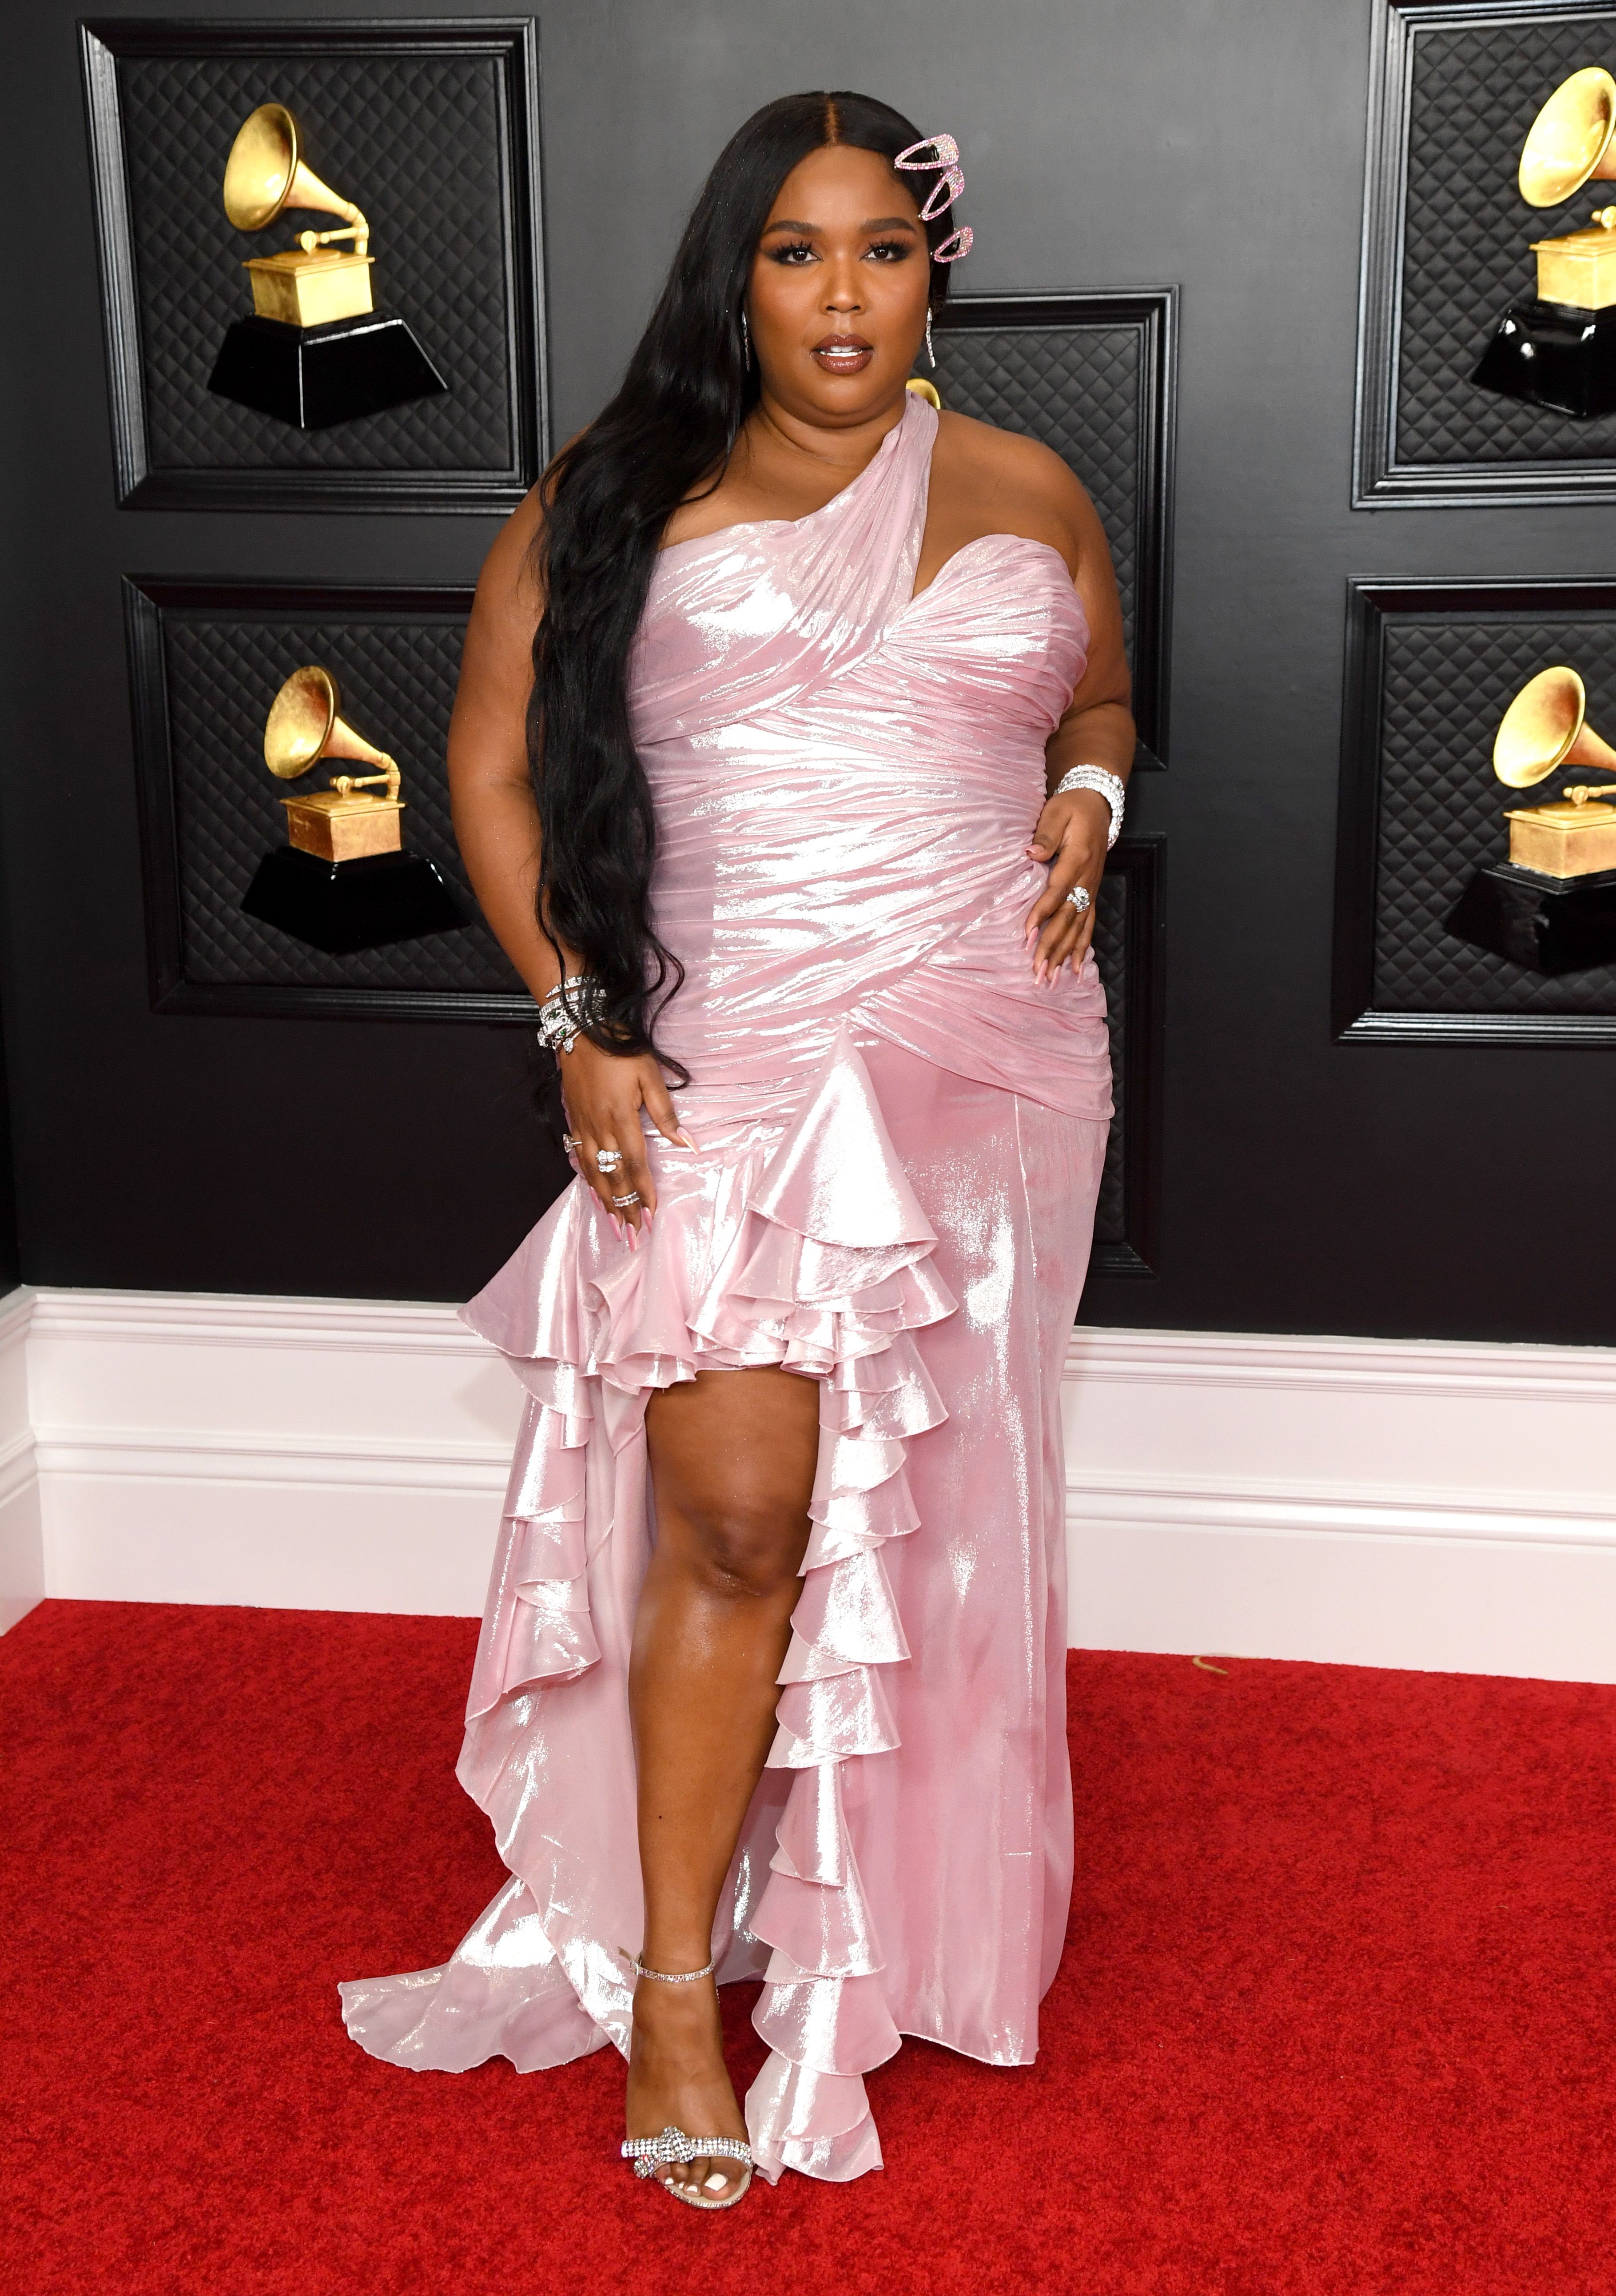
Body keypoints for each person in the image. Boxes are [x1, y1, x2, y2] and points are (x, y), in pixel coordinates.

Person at [339, 88, 1133, 2210]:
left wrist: (1091, 803)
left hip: (992, 1057)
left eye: (882, 246)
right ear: (735, 275)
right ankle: (679, 1978)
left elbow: (1097, 705)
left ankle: (878, 1914)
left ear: (933, 265)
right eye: (795, 252)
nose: (842, 292)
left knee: (936, 1511)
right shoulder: (616, 491)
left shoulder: (1029, 484)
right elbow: (491, 759)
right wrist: (577, 1013)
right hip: (731, 1055)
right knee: (737, 1506)